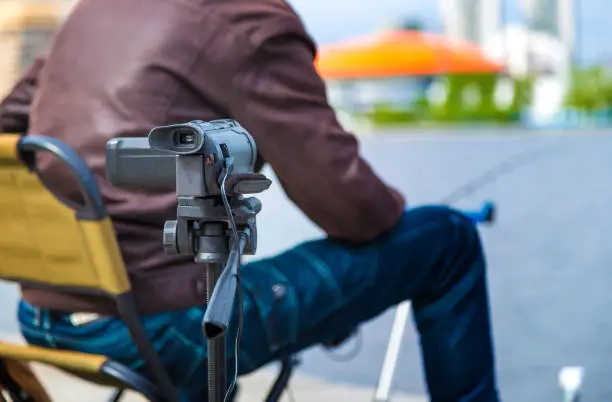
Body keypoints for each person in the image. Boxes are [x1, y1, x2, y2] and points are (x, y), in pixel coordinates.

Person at [0, 0, 500, 401]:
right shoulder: (250, 22)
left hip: (46, 317)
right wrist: (387, 216)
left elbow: (9, 121)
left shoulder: (95, 11)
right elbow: (353, 210)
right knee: (444, 238)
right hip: (166, 332)